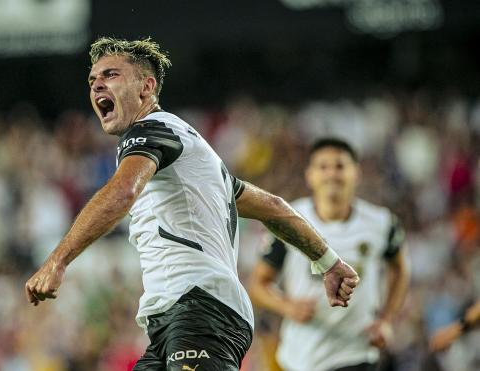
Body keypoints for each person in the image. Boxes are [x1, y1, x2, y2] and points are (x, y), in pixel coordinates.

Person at [25, 37, 359, 371]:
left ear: (146, 87)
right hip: (175, 320)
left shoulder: (153, 129)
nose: (97, 84)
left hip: (200, 308)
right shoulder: (195, 159)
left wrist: (58, 260)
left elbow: (123, 191)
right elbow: (273, 206)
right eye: (92, 80)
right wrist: (328, 261)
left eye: (110, 75)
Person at [249, 138, 410, 371]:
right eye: (323, 167)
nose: (331, 174)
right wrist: (287, 306)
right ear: (310, 175)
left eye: (340, 166)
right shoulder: (289, 221)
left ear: (356, 173)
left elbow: (400, 267)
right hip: (300, 356)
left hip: (357, 353)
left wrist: (386, 319)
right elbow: (257, 284)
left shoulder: (381, 222)